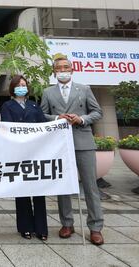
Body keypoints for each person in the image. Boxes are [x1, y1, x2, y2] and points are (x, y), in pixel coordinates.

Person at [40, 54, 104, 245]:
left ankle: (95, 227)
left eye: (65, 67)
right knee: (63, 186)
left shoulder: (84, 89)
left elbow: (97, 112)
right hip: (60, 144)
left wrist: (82, 119)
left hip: (83, 142)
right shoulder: (48, 92)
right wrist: (56, 118)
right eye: (58, 68)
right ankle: (67, 223)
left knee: (90, 186)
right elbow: (42, 114)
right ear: (54, 72)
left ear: (72, 69)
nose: (62, 71)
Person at [0, 75, 48, 241]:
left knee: (39, 190)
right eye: (18, 85)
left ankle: (41, 228)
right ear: (13, 88)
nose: (22, 87)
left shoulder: (34, 105)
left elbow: (43, 125)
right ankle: (25, 227)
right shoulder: (7, 106)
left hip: (36, 152)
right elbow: (7, 126)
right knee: (22, 190)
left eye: (24, 84)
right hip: (19, 152)